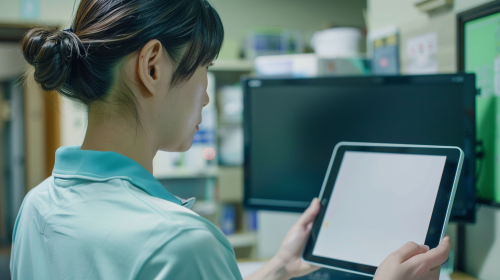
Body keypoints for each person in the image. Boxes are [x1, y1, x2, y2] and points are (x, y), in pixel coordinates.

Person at [11, 0, 451, 279]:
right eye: (205, 69)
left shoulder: (36, 206)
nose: (206, 94)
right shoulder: (179, 243)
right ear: (152, 66)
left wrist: (277, 267)